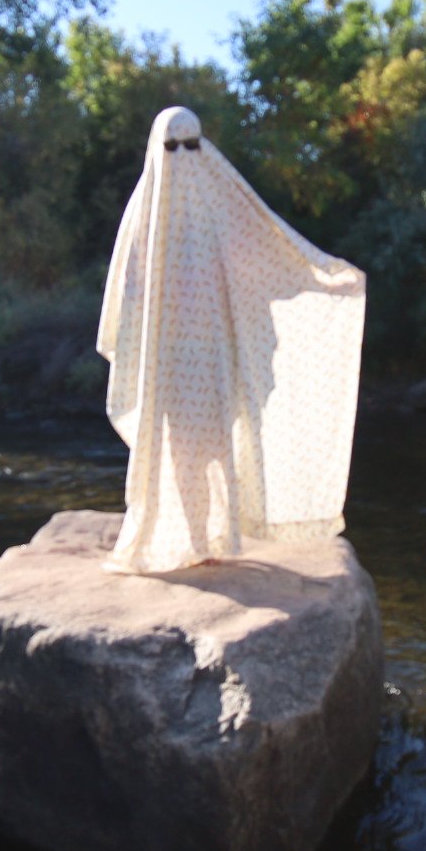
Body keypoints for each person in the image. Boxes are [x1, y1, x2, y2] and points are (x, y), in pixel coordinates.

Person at [97, 106, 367, 574]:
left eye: (191, 144)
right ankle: (187, 536)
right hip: (168, 360)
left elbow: (268, 251)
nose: (182, 156)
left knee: (218, 444)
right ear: (156, 148)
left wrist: (323, 279)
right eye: (172, 146)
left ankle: (214, 534)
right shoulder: (143, 212)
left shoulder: (219, 199)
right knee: (179, 450)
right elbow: (128, 288)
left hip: (220, 354)